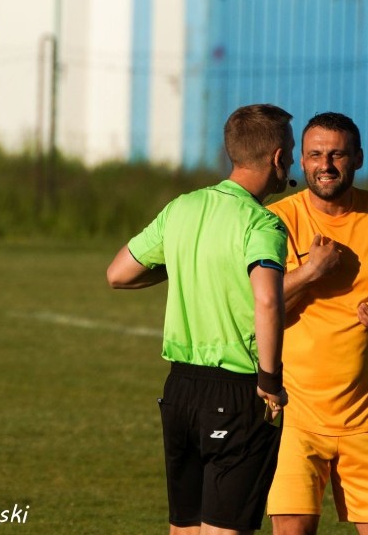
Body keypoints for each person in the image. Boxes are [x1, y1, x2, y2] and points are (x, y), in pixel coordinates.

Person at [106, 103, 296, 535]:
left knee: (185, 528)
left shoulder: (182, 208)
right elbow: (268, 301)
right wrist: (270, 379)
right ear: (279, 158)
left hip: (179, 392)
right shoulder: (262, 223)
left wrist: (185, 263)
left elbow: (118, 274)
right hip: (236, 393)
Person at [265, 112, 368, 535]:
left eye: (338, 153)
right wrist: (310, 273)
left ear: (358, 157)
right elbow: (257, 304)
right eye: (316, 154)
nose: (327, 164)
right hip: (295, 419)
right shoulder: (276, 220)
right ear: (301, 161)